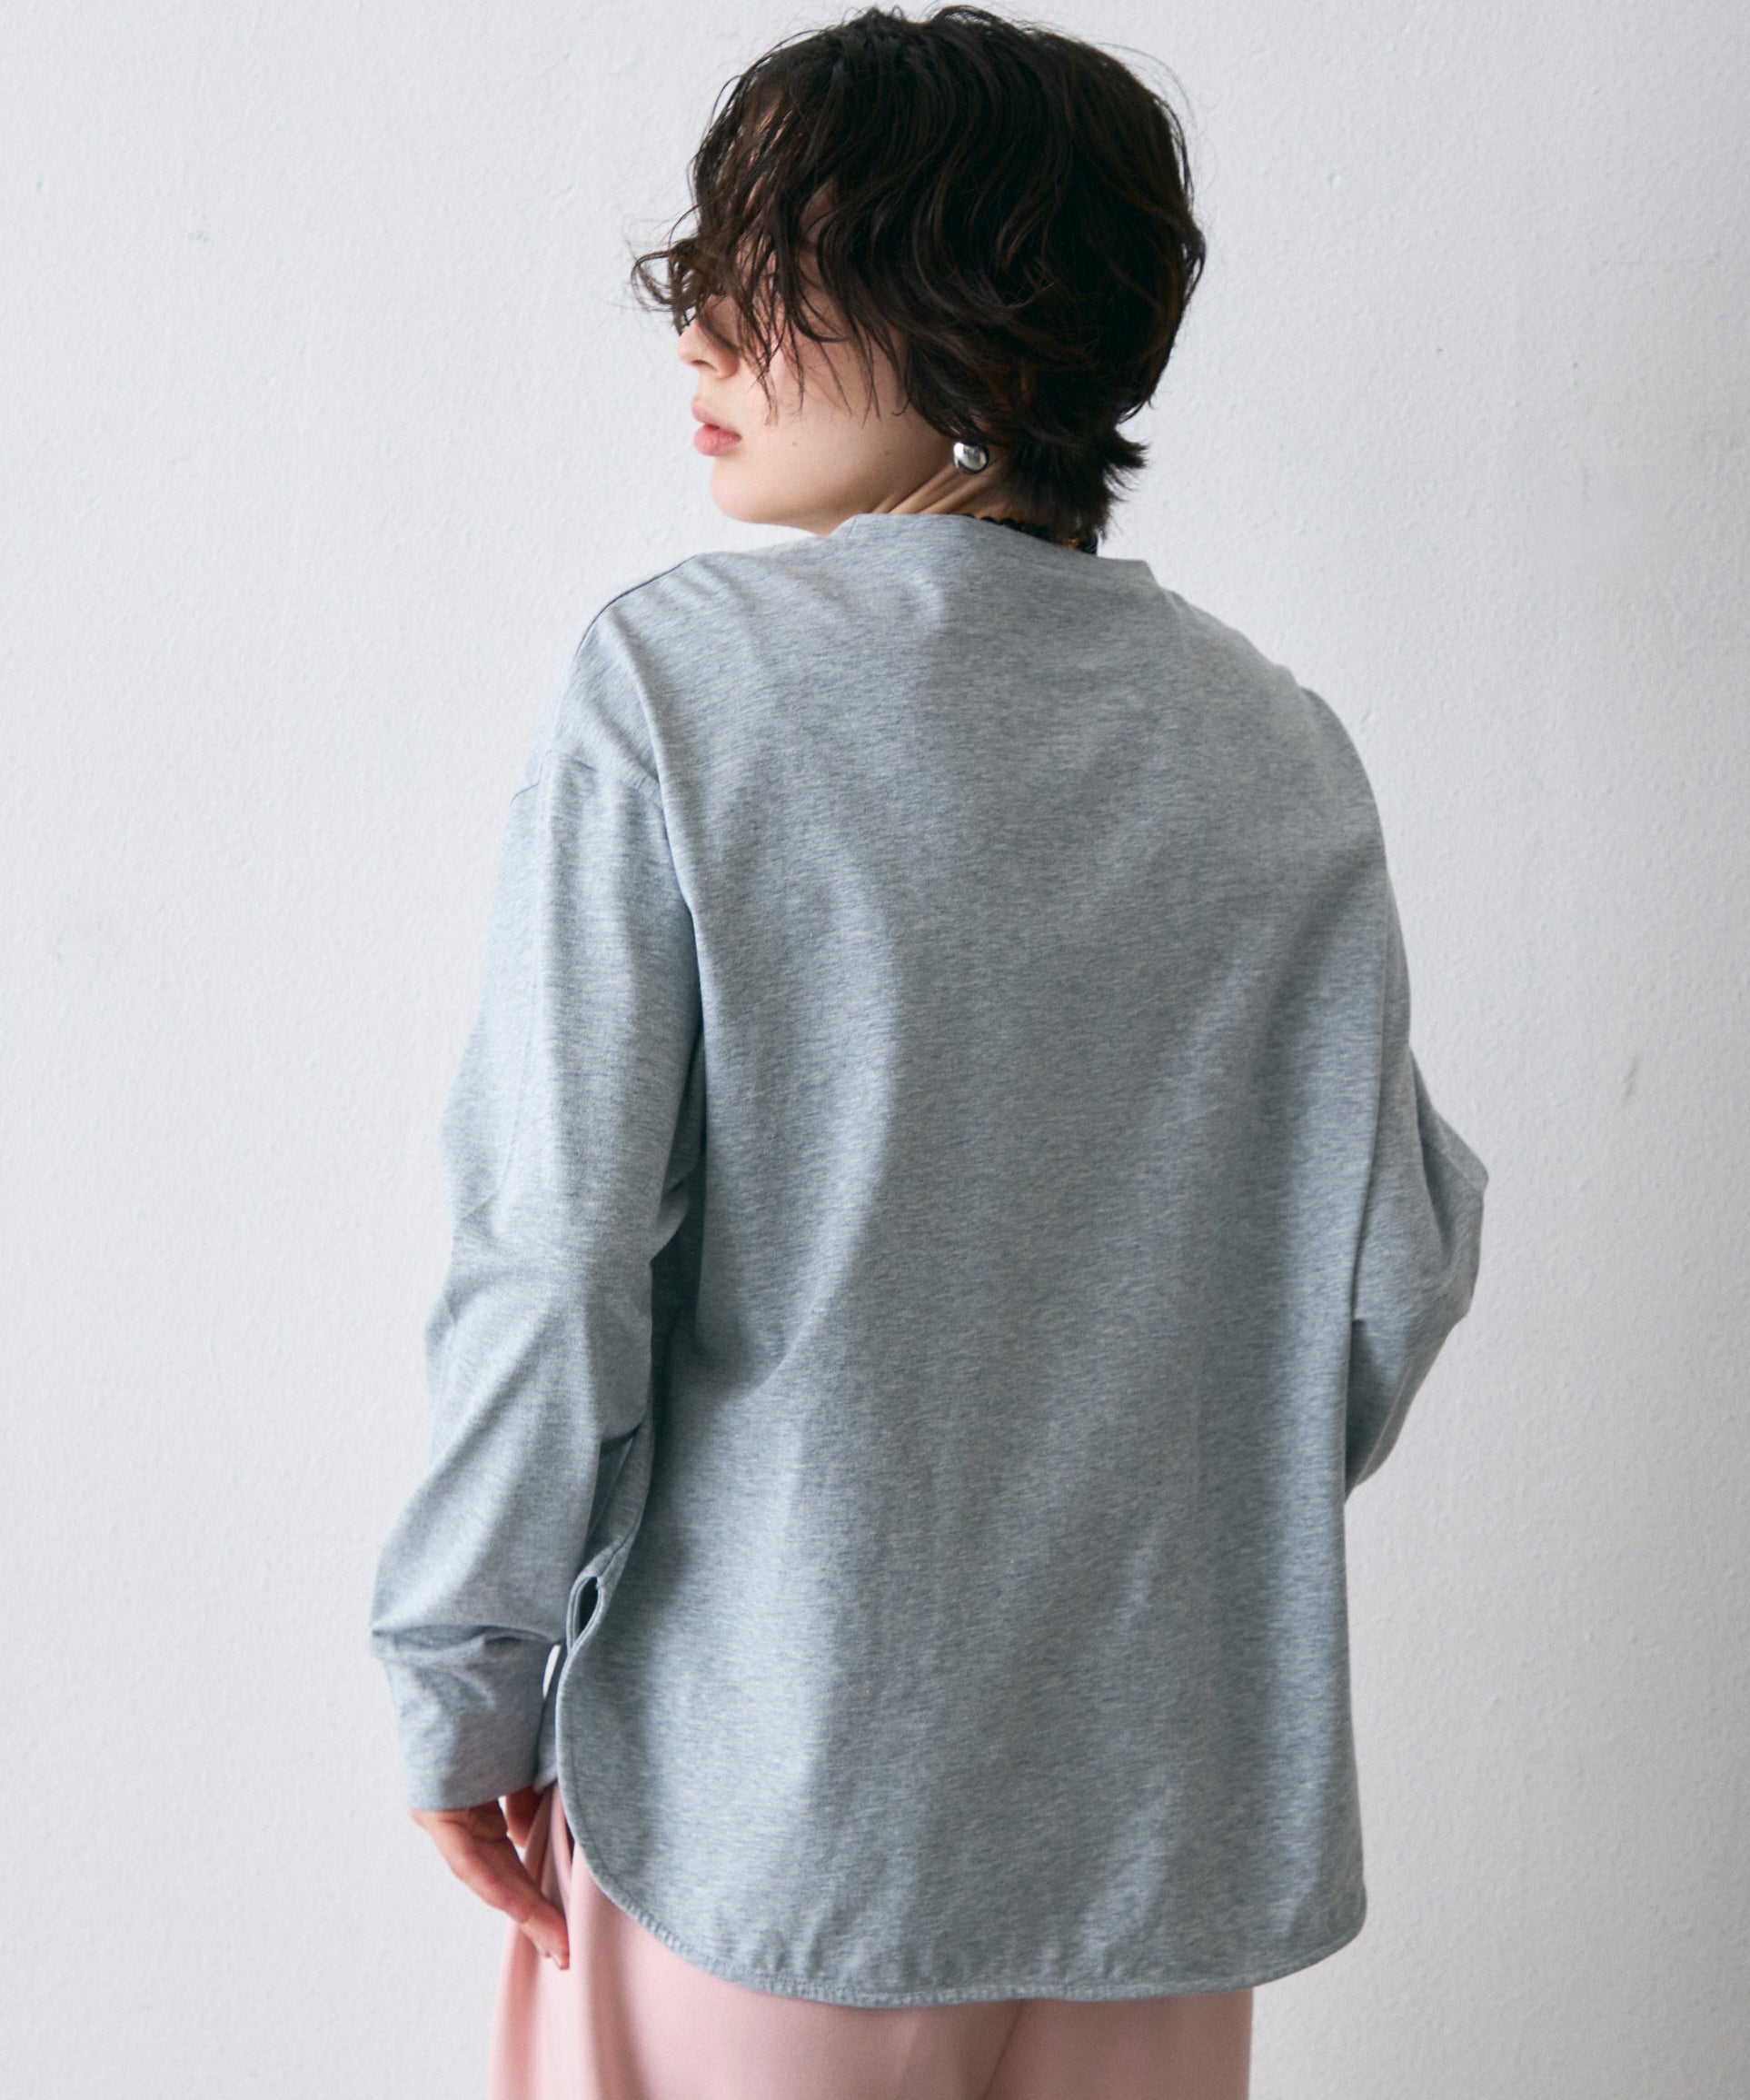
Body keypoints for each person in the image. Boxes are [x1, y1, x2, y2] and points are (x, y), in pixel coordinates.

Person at [365, 7, 1490, 2096]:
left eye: (767, 266)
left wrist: (464, 1677)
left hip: (773, 1816)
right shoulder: (1276, 746)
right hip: (1157, 1842)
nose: (701, 329)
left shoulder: (678, 682)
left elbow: (554, 1246)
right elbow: (1380, 1277)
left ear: (966, 313)